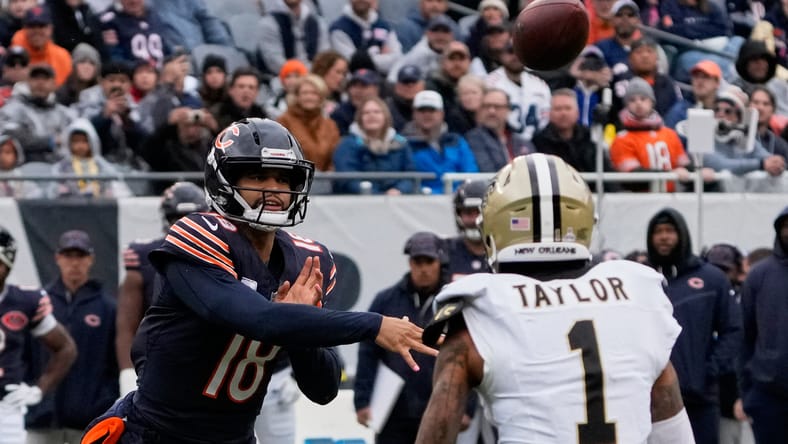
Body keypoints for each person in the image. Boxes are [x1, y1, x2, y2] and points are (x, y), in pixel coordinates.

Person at [81, 118, 436, 444]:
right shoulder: (199, 233)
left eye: (284, 179)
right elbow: (258, 319)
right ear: (225, 181)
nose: (275, 190)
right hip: (159, 435)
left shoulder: (306, 260)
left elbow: (324, 388)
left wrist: (301, 334)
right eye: (258, 176)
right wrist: (372, 325)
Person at [414, 153, 694, 443]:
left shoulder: (478, 309)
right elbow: (673, 430)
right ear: (586, 221)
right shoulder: (637, 292)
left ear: (492, 229)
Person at [354, 232, 464, 443]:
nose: (423, 268)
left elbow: (469, 353)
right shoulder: (386, 300)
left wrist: (466, 407)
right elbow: (367, 351)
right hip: (392, 409)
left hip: (441, 403)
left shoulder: (455, 302)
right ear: (410, 262)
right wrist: (362, 400)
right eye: (417, 261)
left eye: (429, 261)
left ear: (440, 262)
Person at [646, 207, 742, 444]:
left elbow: (734, 329)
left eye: (670, 230)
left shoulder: (711, 278)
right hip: (649, 399)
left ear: (682, 234)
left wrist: (708, 371)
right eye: (658, 231)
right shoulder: (640, 278)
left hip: (700, 399)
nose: (664, 236)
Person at [25, 230, 119, 444]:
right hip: (42, 420)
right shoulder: (40, 304)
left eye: (80, 256)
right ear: (58, 258)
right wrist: (33, 394)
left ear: (91, 259)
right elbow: (25, 355)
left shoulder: (108, 308)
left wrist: (103, 401)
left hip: (90, 421)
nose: (74, 263)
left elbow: (115, 362)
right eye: (69, 256)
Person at [117, 181, 207, 397]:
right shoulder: (145, 256)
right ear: (167, 219)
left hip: (205, 362)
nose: (185, 226)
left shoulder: (221, 255)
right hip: (157, 363)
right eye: (178, 219)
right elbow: (126, 326)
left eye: (192, 219)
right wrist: (127, 373)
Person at [0, 226, 76, 444]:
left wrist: (38, 389)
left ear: (7, 264)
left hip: (6, 406)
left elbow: (66, 348)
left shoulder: (25, 301)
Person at [739, 206, 788, 443]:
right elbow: (744, 336)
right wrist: (747, 393)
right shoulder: (759, 275)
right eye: (786, 225)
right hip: (768, 396)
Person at [333, 97, 415, 195]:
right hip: (359, 201)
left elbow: (410, 174)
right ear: (359, 118)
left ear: (386, 116)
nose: (372, 116)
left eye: (377, 112)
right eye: (366, 113)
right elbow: (347, 178)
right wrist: (375, 195)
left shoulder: (401, 143)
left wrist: (399, 190)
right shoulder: (347, 144)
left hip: (396, 200)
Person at [401, 90, 479, 194]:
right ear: (414, 114)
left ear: (442, 113)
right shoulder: (404, 144)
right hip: (421, 201)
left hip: (459, 199)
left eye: (432, 110)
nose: (427, 115)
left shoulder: (456, 141)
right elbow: (406, 179)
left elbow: (470, 171)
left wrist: (460, 192)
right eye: (422, 110)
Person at [445, 179, 490, 280]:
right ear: (459, 215)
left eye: (479, 212)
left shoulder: (503, 252)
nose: (474, 220)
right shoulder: (445, 252)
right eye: (468, 212)